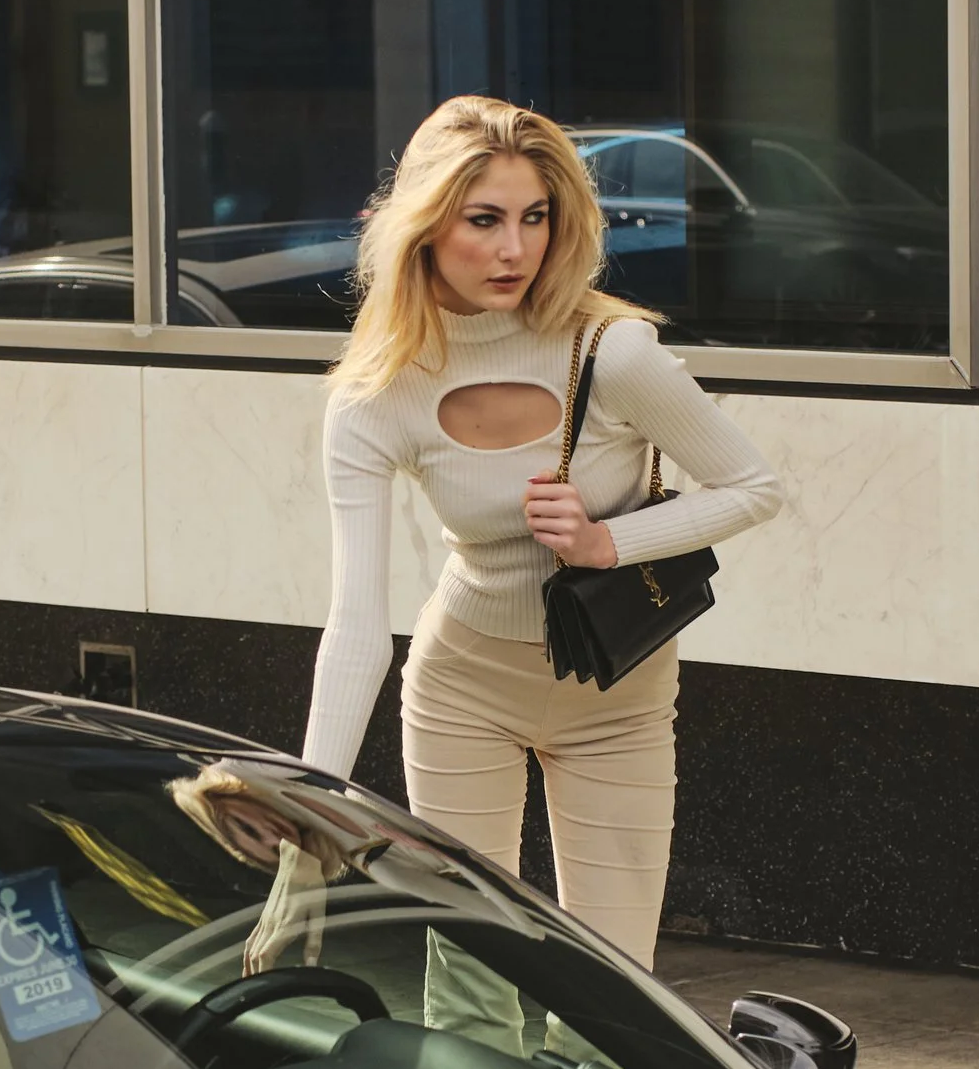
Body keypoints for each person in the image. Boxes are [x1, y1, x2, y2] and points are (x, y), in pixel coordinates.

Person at [293, 93, 782, 970]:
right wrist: (306, 818)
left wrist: (608, 543)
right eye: (484, 220)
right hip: (461, 688)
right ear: (428, 226)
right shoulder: (378, 393)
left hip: (616, 696)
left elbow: (754, 487)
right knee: (471, 977)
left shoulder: (611, 352)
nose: (515, 248)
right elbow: (357, 627)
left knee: (613, 979)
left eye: (534, 218)